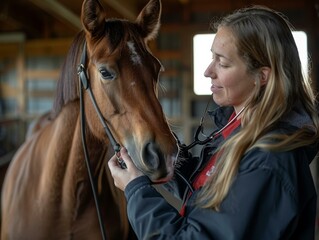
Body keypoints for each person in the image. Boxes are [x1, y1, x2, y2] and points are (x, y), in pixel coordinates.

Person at [108, 5, 319, 239]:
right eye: (212, 57)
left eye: (223, 63)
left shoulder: (268, 162)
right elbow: (207, 193)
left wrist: (136, 190)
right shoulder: (238, 132)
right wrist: (163, 151)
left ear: (262, 76)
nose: (208, 71)